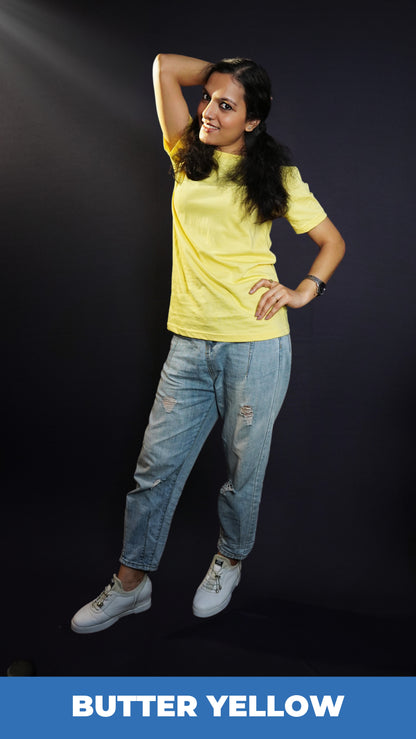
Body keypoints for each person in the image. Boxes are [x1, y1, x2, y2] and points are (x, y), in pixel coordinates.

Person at [71, 53, 345, 634]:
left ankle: (229, 559)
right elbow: (165, 66)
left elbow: (331, 242)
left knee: (244, 467)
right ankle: (131, 583)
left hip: (256, 344)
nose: (210, 111)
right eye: (208, 99)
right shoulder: (186, 157)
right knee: (154, 468)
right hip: (190, 343)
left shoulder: (275, 176)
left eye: (227, 105)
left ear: (253, 120)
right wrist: (228, 73)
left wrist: (304, 290)